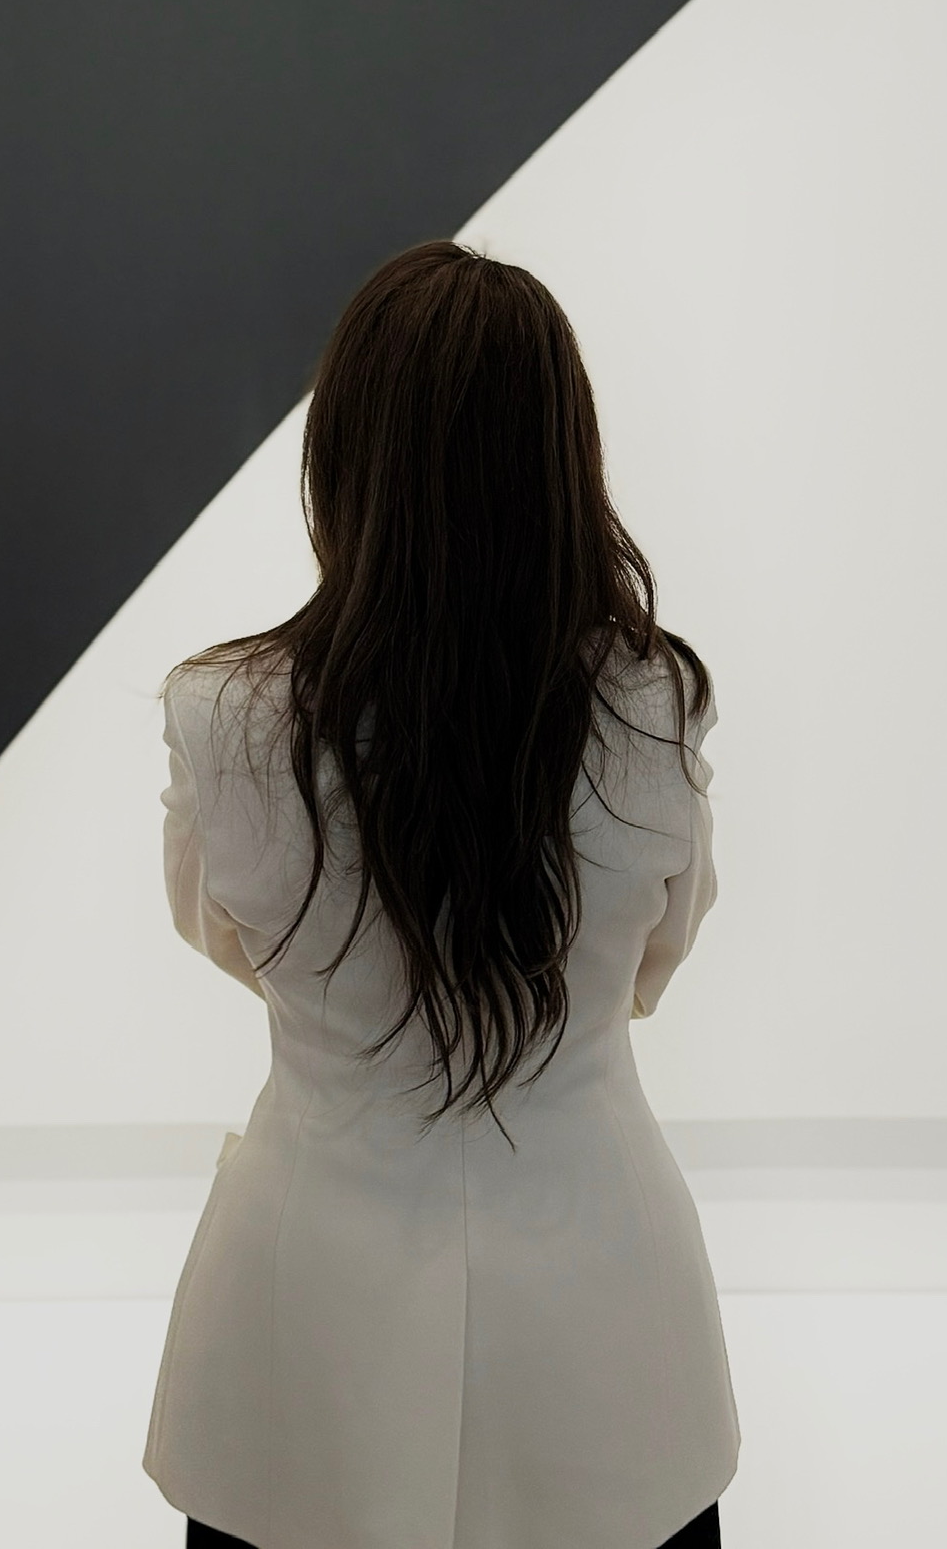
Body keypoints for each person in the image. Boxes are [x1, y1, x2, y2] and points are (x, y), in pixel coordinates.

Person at [142, 239, 739, 1548]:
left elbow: (226, 938)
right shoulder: (655, 707)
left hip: (303, 1324)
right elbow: (656, 957)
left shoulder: (222, 718)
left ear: (341, 461)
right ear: (562, 462)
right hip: (604, 1318)